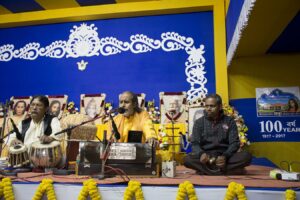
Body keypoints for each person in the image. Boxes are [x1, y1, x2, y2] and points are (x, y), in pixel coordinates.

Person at [184, 94, 252, 175]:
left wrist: (225, 156)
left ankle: (206, 171)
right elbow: (195, 143)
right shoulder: (199, 122)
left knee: (246, 156)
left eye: (212, 106)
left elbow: (234, 143)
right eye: (207, 106)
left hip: (225, 156)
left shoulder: (229, 121)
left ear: (220, 107)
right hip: (207, 157)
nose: (208, 109)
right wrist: (201, 154)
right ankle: (226, 170)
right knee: (187, 159)